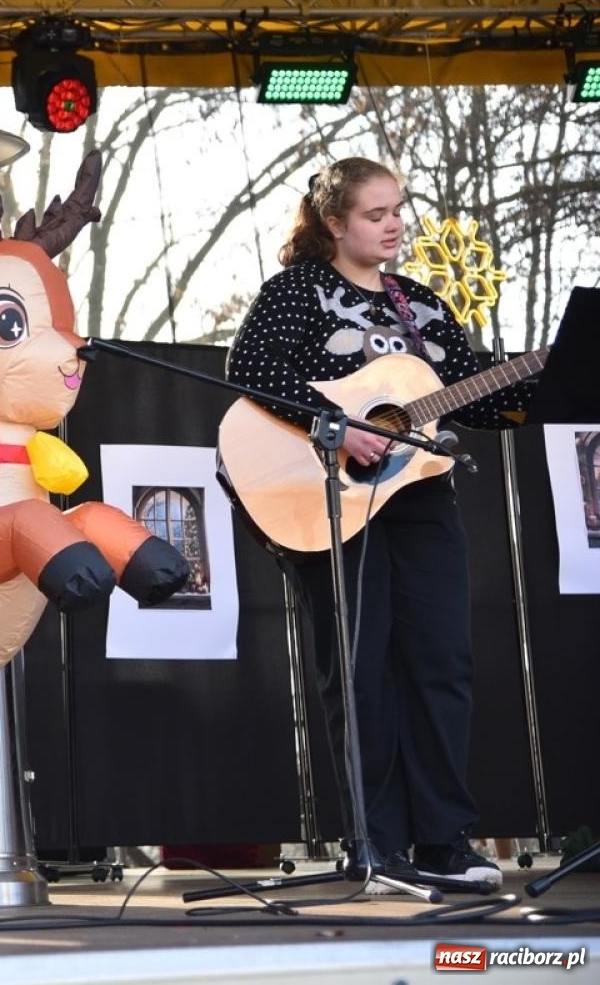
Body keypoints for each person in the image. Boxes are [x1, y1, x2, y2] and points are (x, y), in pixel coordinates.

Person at [226, 156, 536, 893]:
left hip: (421, 498)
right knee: (360, 671)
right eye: (375, 214)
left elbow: (476, 401)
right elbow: (250, 369)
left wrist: (540, 378)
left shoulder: (420, 305)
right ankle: (376, 842)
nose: (394, 224)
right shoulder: (299, 292)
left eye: (398, 209)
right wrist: (337, 422)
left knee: (441, 665)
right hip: (326, 495)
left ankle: (443, 841)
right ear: (334, 223)